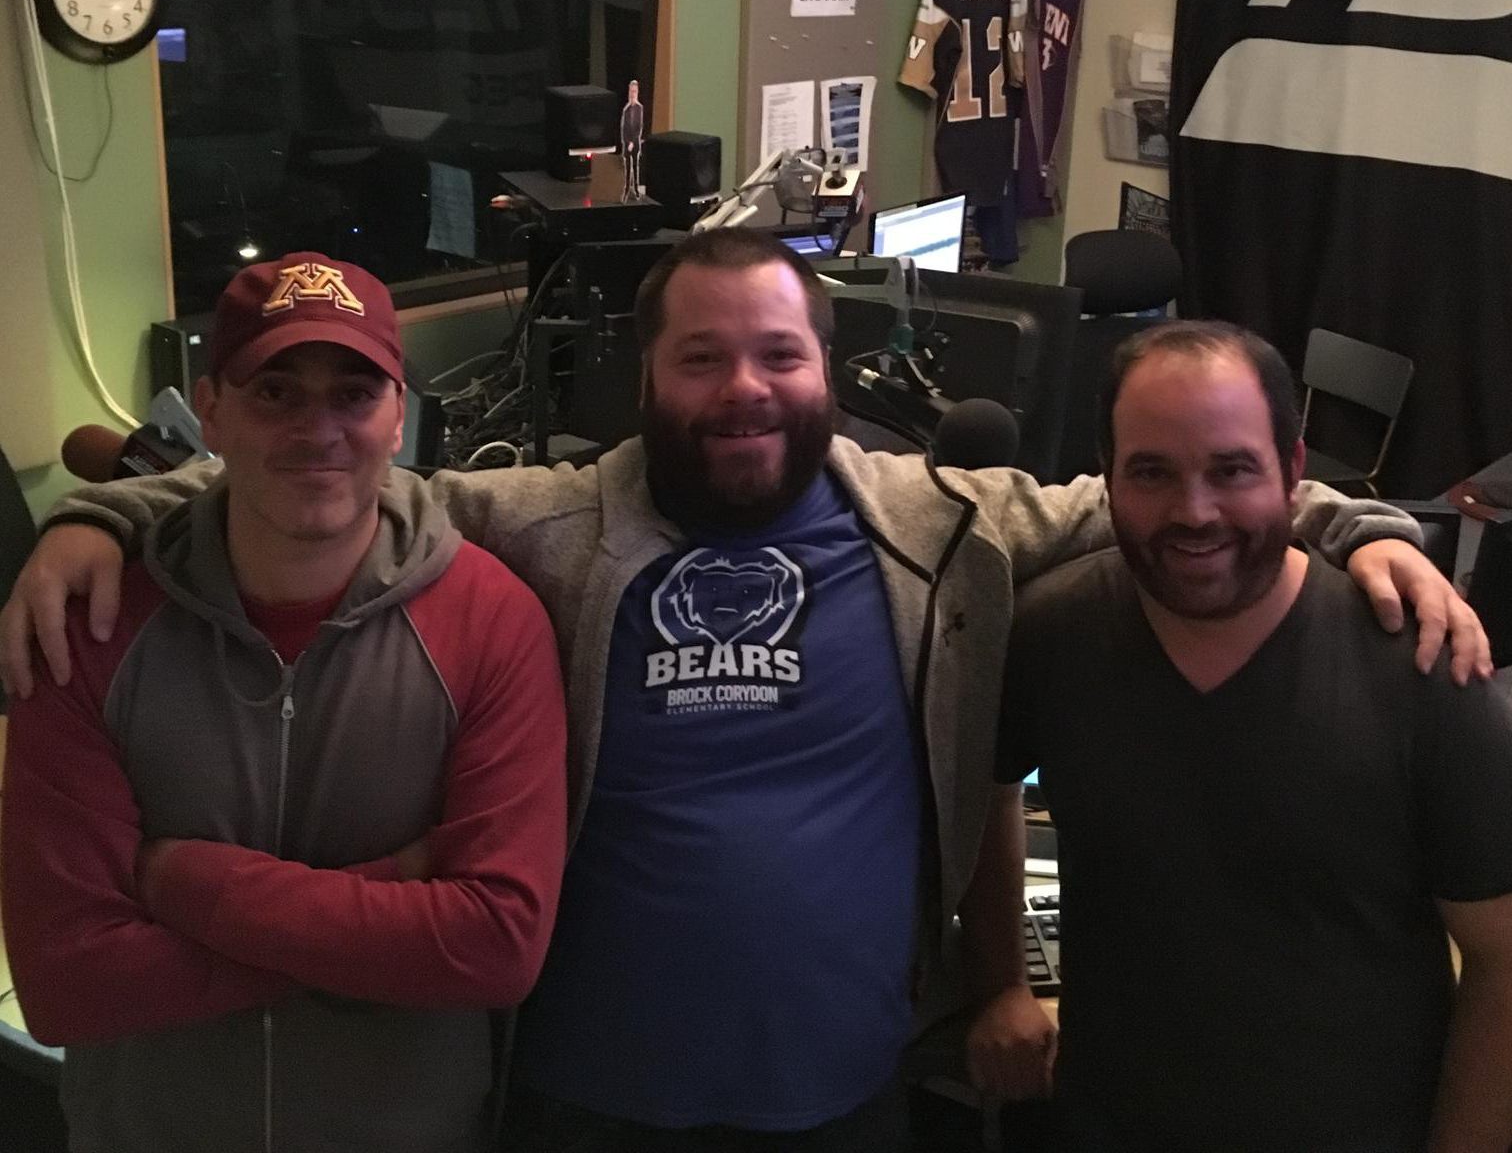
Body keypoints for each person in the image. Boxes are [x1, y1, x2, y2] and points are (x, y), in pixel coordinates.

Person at [0, 232, 1487, 1153]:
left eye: (778, 354)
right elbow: (331, 478)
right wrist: (109, 516)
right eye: (702, 358)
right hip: (584, 1103)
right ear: (646, 377)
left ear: (827, 367)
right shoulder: (545, 524)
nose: (744, 387)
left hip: (844, 1099)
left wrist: (1359, 528)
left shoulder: (944, 526)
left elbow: (1167, 497)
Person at [1, 252, 567, 1153]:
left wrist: (191, 885)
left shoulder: (492, 622)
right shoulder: (88, 624)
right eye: (275, 393)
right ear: (210, 410)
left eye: (354, 394)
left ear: (398, 416)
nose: (319, 430)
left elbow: (495, 948)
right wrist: (393, 901)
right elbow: (71, 984)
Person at [962, 321, 1512, 1153]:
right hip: (1103, 1122)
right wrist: (1001, 979)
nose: (1194, 512)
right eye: (1152, 472)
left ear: (1293, 471)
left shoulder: (1422, 662)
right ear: (1107, 477)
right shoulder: (1050, 633)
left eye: (1232, 470)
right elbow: (987, 787)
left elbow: (1502, 964)